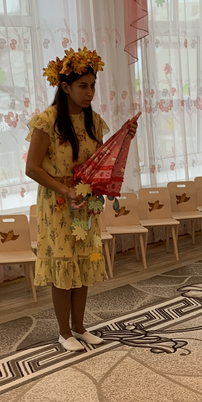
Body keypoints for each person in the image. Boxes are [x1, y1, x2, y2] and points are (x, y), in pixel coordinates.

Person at [25, 47, 137, 352]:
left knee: (83, 264)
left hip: (84, 203)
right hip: (58, 204)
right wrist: (65, 190)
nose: (90, 93)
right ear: (65, 87)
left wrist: (124, 138)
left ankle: (79, 327)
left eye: (93, 86)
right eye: (83, 86)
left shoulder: (93, 121)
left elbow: (99, 163)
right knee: (63, 267)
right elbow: (32, 168)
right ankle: (64, 332)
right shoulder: (46, 122)